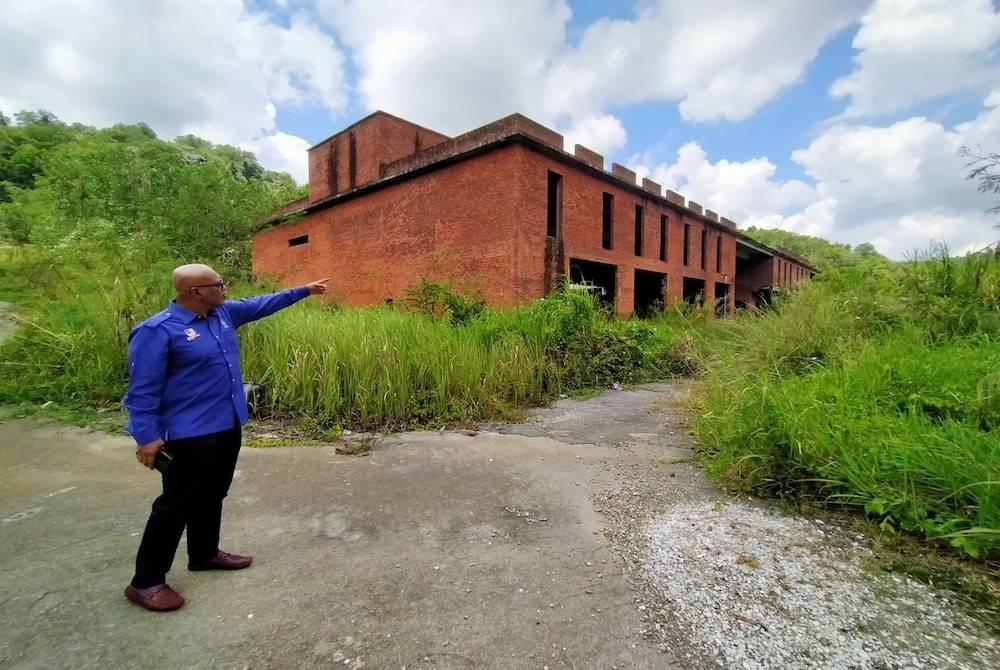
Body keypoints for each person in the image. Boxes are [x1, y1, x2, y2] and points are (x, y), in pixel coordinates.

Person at [122, 263, 328, 612]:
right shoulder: (157, 331)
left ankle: (203, 554)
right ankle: (145, 582)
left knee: (213, 493)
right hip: (187, 434)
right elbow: (142, 391)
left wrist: (304, 290)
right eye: (219, 283)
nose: (226, 288)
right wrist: (146, 438)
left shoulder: (223, 314)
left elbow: (264, 303)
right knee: (174, 506)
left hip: (226, 424)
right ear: (196, 291)